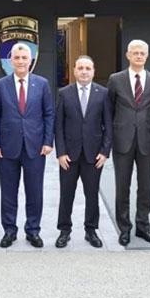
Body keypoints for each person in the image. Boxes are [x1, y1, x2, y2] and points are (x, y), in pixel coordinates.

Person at [0, 43, 54, 248]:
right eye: (16, 58)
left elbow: (49, 114)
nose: (20, 61)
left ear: (30, 60)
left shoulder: (42, 84)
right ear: (11, 61)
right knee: (8, 193)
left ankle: (33, 231)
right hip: (7, 147)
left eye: (24, 58)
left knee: (34, 192)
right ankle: (9, 231)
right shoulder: (0, 85)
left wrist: (48, 141)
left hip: (35, 147)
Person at [106, 39, 150, 246]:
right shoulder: (115, 79)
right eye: (135, 53)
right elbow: (109, 110)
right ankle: (124, 228)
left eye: (142, 53)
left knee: (146, 187)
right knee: (122, 187)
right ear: (128, 55)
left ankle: (143, 226)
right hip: (122, 140)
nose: (139, 56)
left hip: (147, 141)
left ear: (147, 56)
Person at [54, 56, 112, 248]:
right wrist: (61, 152)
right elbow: (58, 126)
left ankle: (91, 230)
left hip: (93, 155)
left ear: (93, 71)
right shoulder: (64, 93)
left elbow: (108, 125)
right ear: (74, 71)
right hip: (69, 156)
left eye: (88, 68)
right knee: (66, 194)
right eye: (80, 68)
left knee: (92, 194)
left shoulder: (103, 93)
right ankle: (64, 231)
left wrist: (105, 152)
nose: (84, 71)